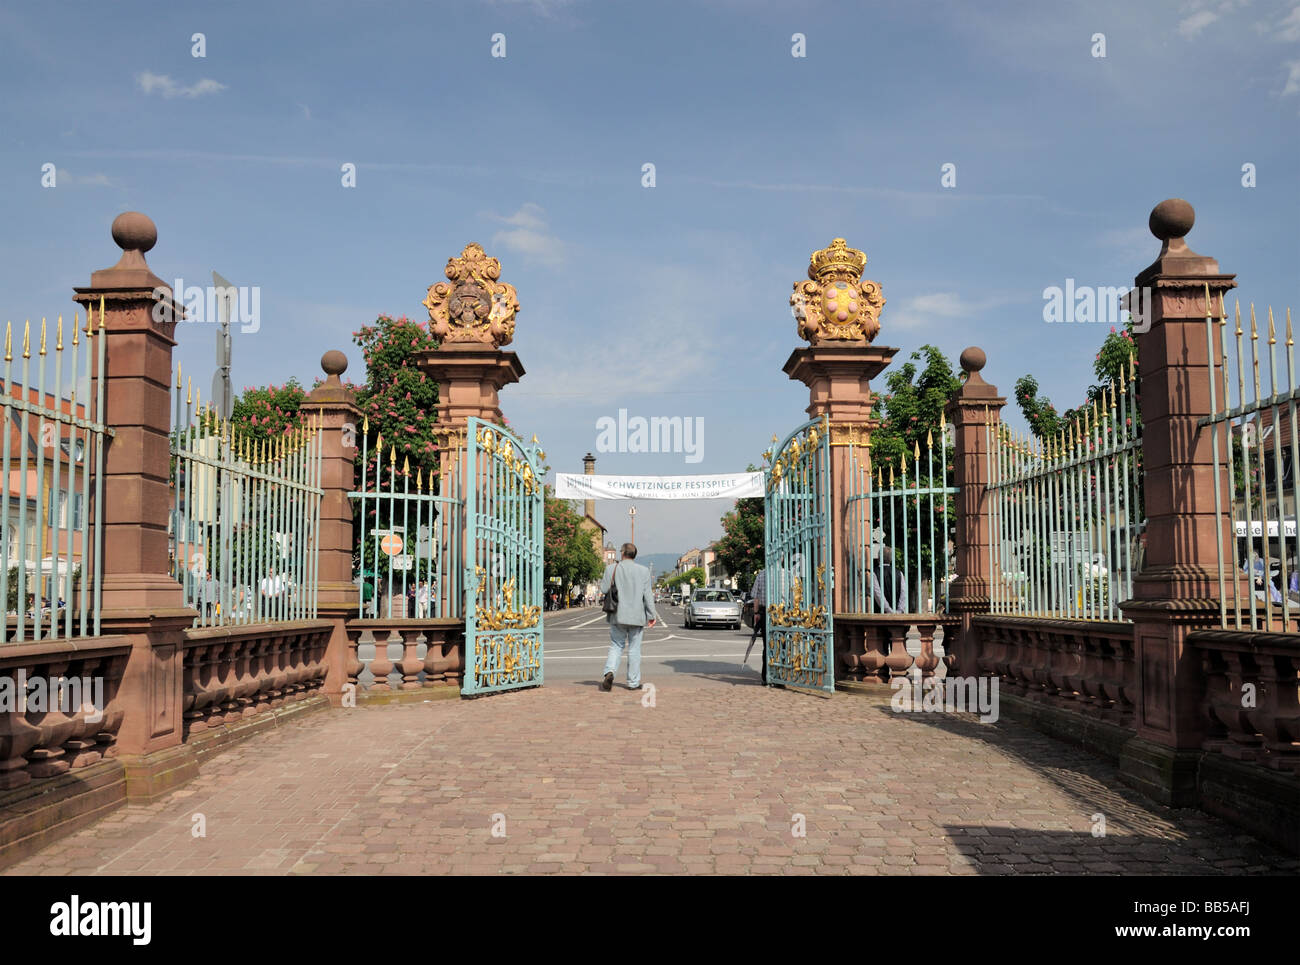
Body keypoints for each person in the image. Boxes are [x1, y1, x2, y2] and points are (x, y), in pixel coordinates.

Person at [598, 542, 658, 692]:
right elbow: (647, 595)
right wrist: (652, 615)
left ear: (622, 553)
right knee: (634, 649)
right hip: (637, 616)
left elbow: (604, 589)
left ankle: (609, 671)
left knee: (616, 645)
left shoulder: (611, 568)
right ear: (634, 555)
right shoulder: (644, 571)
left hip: (617, 614)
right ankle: (633, 682)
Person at [871, 546, 907, 613]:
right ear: (891, 559)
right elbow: (903, 594)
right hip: (897, 615)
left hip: (880, 614)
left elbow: (878, 594)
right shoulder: (899, 573)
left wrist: (889, 610)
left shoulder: (874, 573)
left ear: (878, 558)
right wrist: (899, 610)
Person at [748, 568, 767, 684]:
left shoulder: (761, 574)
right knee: (781, 645)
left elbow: (756, 597)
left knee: (767, 645)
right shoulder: (788, 574)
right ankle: (781, 676)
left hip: (766, 613)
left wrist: (756, 613)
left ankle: (766, 676)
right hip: (782, 613)